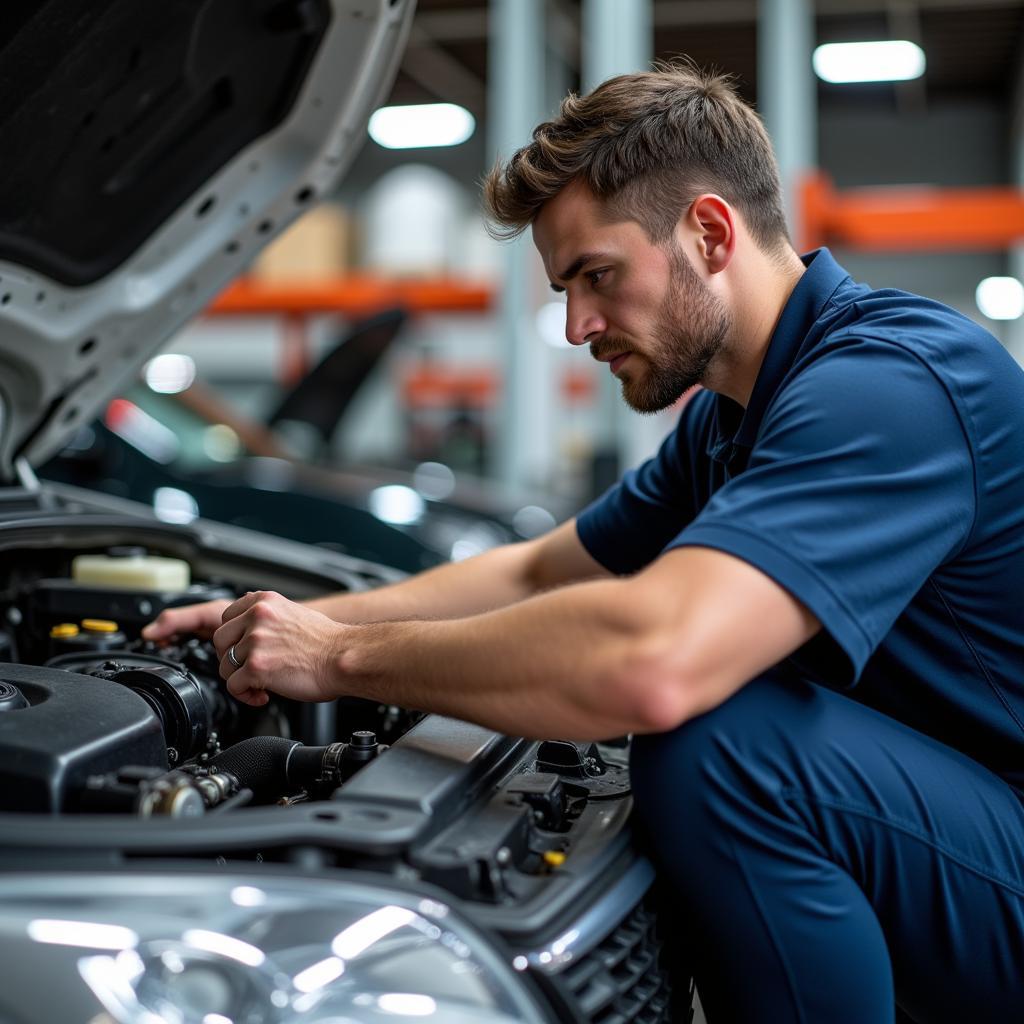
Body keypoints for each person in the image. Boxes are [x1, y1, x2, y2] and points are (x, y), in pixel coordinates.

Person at [144, 64, 1024, 1022]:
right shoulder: (732, 418)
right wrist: (291, 625)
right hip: (952, 831)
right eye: (564, 288)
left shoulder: (890, 385)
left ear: (711, 232)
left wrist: (343, 657)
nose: (575, 326)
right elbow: (534, 569)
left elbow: (650, 661)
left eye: (597, 277)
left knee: (727, 745)